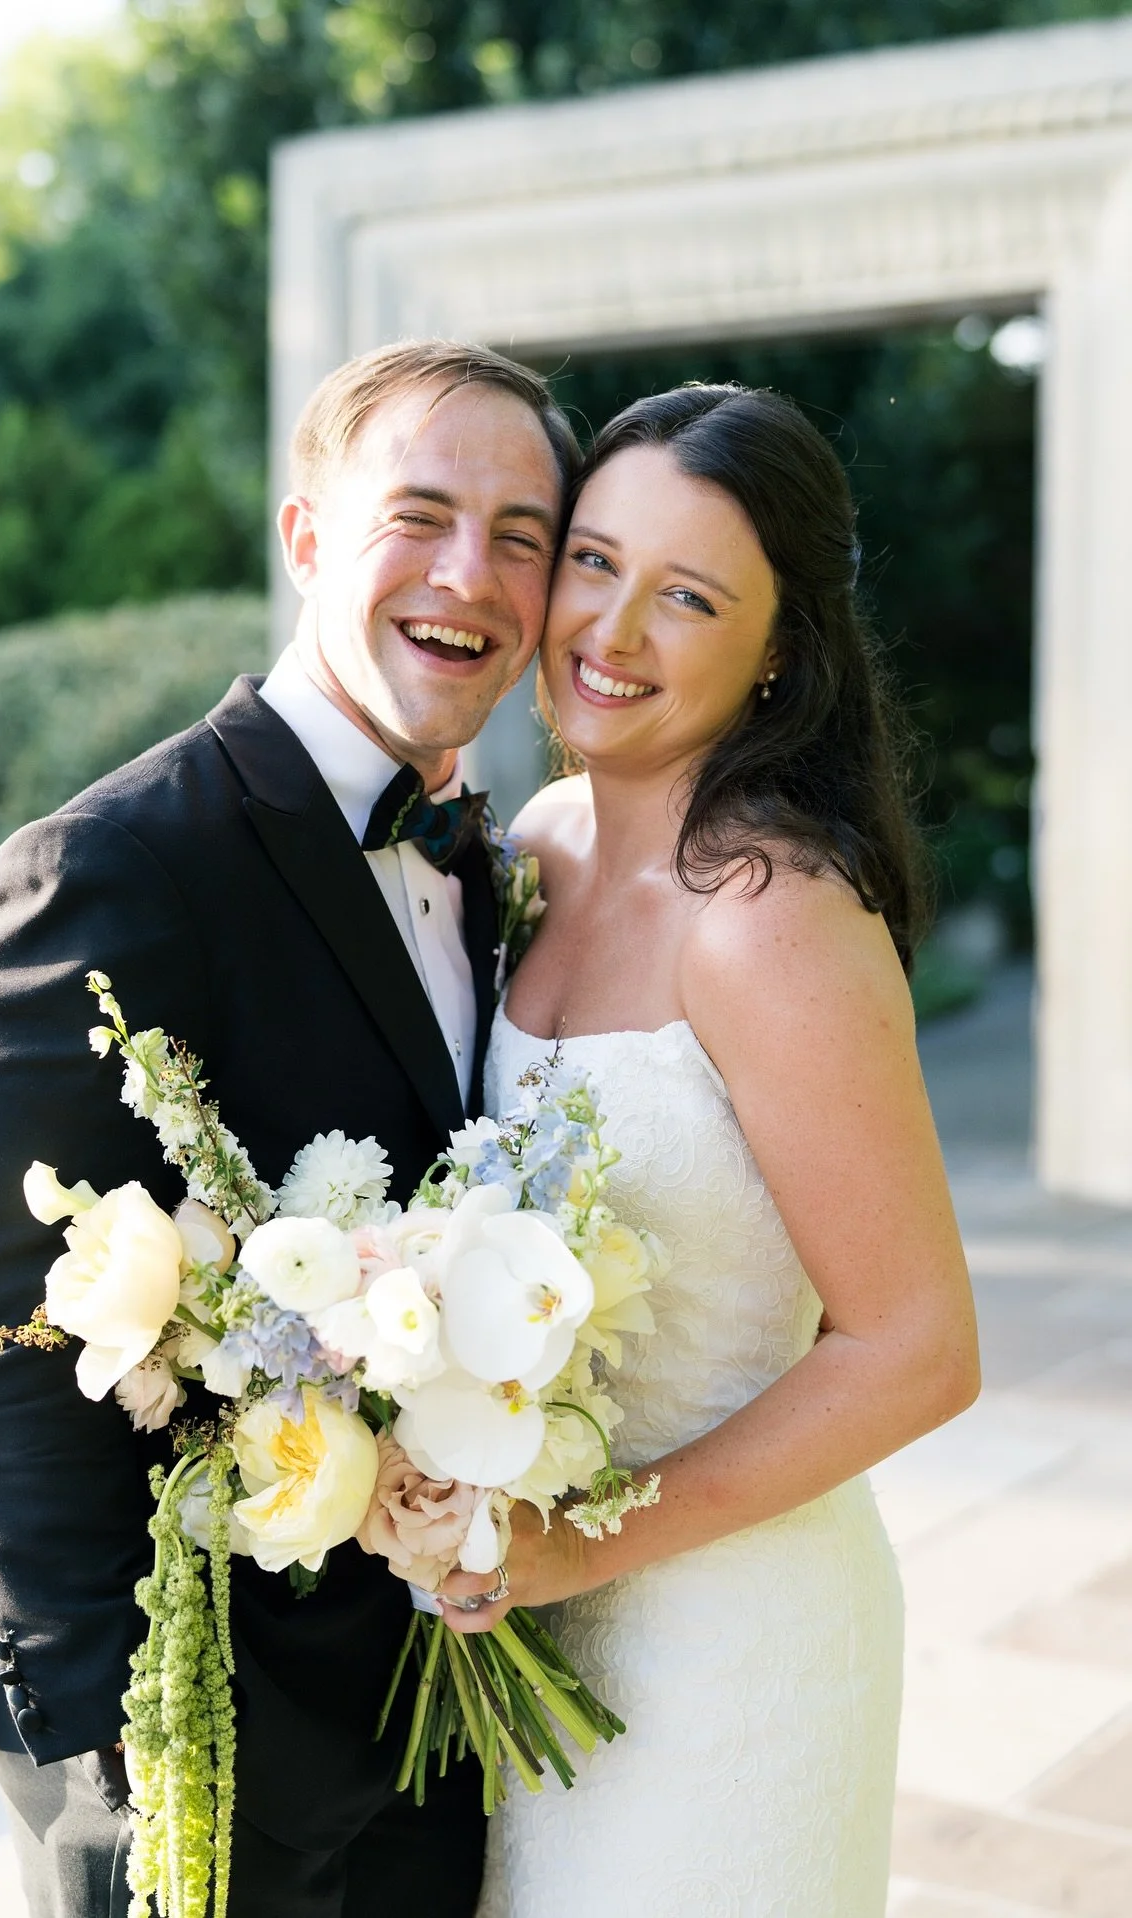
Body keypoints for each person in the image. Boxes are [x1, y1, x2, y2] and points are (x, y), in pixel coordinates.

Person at [0, 338, 576, 1918]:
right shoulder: (113, 862)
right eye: (421, 512)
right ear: (308, 537)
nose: (472, 571)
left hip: (431, 1718)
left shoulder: (491, 874)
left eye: (522, 533)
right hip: (203, 1770)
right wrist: (141, 1785)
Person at [441, 384, 981, 1917]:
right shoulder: (530, 845)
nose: (612, 628)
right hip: (531, 1625)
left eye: (689, 596)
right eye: (595, 562)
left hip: (733, 1644)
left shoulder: (771, 918)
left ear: (780, 653)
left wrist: (583, 1544)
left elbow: (921, 1345)